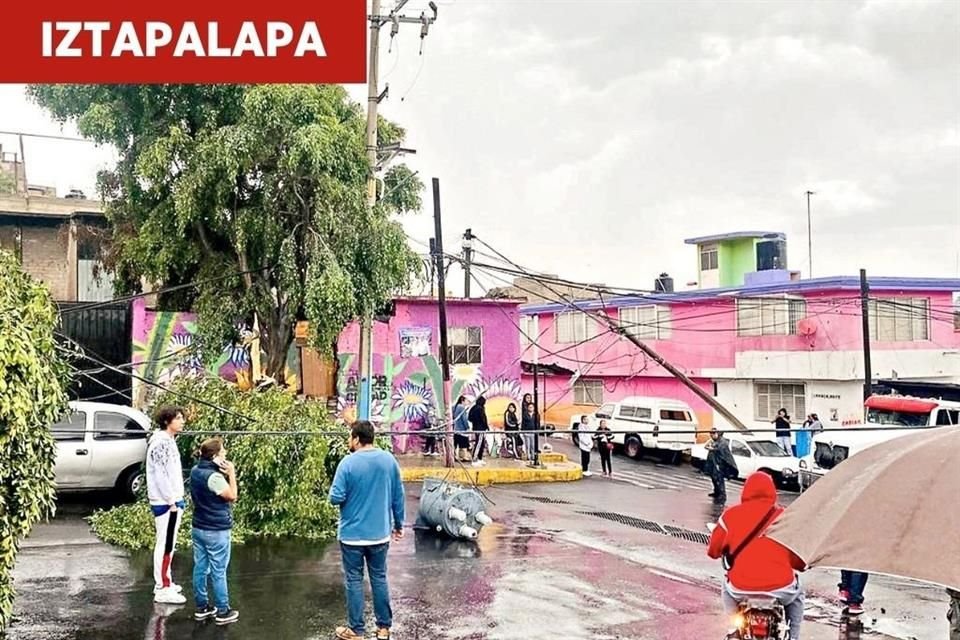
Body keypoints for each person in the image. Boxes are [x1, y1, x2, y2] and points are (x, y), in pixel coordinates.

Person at [707, 473, 806, 640]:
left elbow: (713, 552)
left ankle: (733, 629)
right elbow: (799, 561)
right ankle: (793, 636)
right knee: (799, 594)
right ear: (772, 491)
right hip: (781, 588)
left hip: (740, 588)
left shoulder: (729, 516)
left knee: (726, 586)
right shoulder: (785, 517)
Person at [330, 420, 405, 640]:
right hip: (379, 534)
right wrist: (399, 525)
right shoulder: (389, 461)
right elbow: (398, 497)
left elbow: (335, 497)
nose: (348, 440)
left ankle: (356, 630)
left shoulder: (347, 463)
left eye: (349, 436)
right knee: (379, 578)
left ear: (356, 438)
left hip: (352, 536)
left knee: (354, 580)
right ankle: (383, 628)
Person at [190, 438, 239, 625]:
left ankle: (202, 607)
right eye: (223, 451)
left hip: (199, 526)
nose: (225, 453)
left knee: (200, 567)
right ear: (215, 456)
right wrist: (231, 473)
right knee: (219, 570)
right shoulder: (214, 478)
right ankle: (223, 610)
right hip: (216, 529)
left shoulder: (196, 471)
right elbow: (232, 496)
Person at [147, 406, 187, 605]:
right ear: (167, 421)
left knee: (169, 544)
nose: (182, 421)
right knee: (165, 544)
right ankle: (162, 587)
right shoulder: (160, 443)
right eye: (178, 418)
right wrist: (171, 500)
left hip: (172, 499)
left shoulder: (169, 441)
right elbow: (160, 474)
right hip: (165, 502)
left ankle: (166, 581)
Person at [705, 428, 738, 503]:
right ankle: (716, 492)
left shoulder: (722, 442)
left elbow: (720, 451)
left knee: (719, 479)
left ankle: (722, 495)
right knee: (714, 478)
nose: (711, 436)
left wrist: (712, 449)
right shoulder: (715, 441)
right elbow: (707, 446)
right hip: (713, 463)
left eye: (713, 434)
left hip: (720, 464)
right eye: (711, 434)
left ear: (718, 434)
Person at [469, 396, 490, 467]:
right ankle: (474, 459)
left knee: (480, 443)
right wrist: (486, 426)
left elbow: (469, 418)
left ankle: (479, 459)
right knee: (479, 443)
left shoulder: (473, 408)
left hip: (476, 427)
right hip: (480, 428)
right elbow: (483, 419)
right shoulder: (480, 408)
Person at [453, 396, 471, 462]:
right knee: (463, 444)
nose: (467, 402)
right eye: (466, 400)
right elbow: (464, 419)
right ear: (462, 400)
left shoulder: (455, 407)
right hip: (461, 429)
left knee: (456, 444)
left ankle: (455, 456)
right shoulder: (461, 407)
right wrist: (467, 427)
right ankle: (463, 456)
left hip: (455, 429)